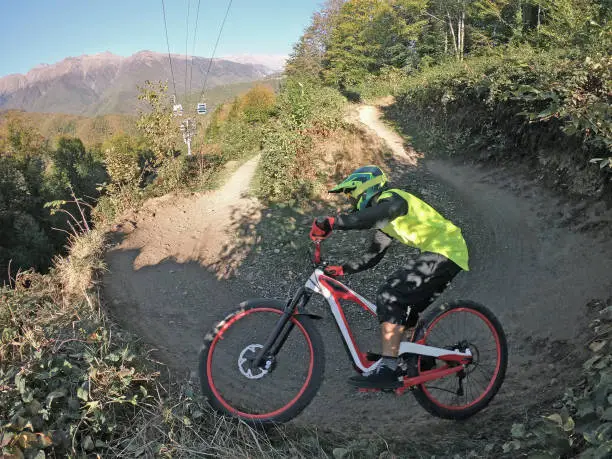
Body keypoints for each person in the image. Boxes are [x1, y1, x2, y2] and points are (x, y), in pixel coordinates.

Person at [311, 165, 469, 389]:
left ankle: (389, 367)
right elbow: (372, 256)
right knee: (405, 310)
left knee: (390, 294)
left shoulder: (394, 199)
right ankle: (420, 359)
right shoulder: (387, 220)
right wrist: (343, 269)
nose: (348, 198)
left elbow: (363, 219)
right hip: (447, 253)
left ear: (364, 186)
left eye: (350, 192)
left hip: (446, 250)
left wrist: (333, 222)